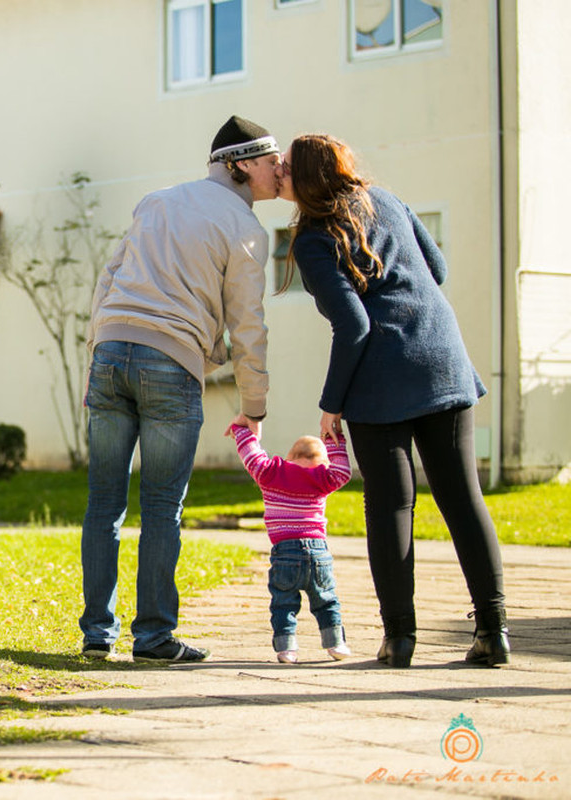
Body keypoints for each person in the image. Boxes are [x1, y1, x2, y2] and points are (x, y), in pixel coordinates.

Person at [279, 133, 508, 668]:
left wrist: (331, 404)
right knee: (462, 499)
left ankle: (400, 640)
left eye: (288, 165)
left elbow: (353, 324)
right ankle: (494, 633)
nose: (280, 171)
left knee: (390, 506)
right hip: (442, 358)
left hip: (380, 379)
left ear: (308, 176)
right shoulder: (385, 200)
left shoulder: (314, 238)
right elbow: (439, 271)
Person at [79, 116, 278, 663]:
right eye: (270, 161)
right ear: (239, 165)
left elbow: (108, 277)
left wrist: (101, 347)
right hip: (170, 363)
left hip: (111, 352)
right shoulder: (246, 230)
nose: (279, 170)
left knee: (104, 504)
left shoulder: (157, 201)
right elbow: (248, 325)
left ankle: (98, 635)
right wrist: (253, 405)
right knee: (162, 507)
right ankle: (152, 638)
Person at [227, 423, 352, 664]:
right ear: (322, 463)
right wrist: (334, 440)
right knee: (326, 600)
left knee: (283, 603)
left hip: (285, 553)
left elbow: (251, 456)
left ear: (289, 457)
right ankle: (336, 643)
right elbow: (344, 473)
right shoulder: (323, 478)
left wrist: (241, 430)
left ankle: (287, 649)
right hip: (318, 553)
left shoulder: (271, 473)